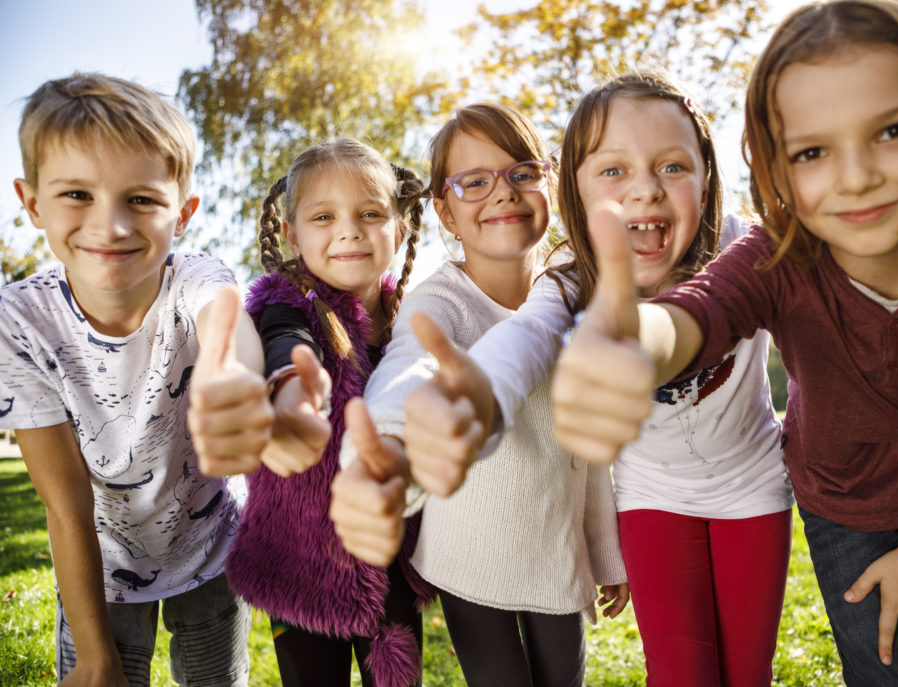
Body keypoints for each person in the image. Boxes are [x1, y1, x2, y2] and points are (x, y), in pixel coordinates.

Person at [552, 2, 898, 685]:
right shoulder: (781, 255)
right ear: (777, 164)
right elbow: (700, 312)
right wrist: (634, 340)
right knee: (887, 670)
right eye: (812, 151)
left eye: (893, 130)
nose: (856, 175)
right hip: (845, 506)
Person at [392, 71, 794, 686]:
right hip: (650, 501)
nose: (644, 192)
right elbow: (521, 341)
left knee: (748, 674)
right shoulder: (569, 281)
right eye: (613, 170)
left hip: (753, 490)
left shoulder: (745, 249)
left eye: (672, 167)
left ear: (707, 174)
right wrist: (478, 393)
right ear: (577, 190)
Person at [331, 102, 629, 687]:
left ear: (551, 182)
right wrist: (384, 448)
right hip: (469, 556)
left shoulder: (574, 287)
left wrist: (605, 550)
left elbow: (586, 451)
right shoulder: (437, 303)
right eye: (474, 181)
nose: (503, 194)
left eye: (523, 172)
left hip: (555, 550)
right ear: (445, 210)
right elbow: (407, 371)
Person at [0, 72, 270, 687]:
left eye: (142, 199)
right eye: (76, 194)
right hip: (102, 568)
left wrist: (232, 376)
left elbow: (223, 315)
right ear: (32, 201)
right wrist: (95, 658)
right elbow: (65, 506)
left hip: (210, 553)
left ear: (184, 211)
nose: (112, 226)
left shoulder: (194, 275)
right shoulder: (18, 323)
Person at [223, 138, 435, 687]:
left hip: (392, 552)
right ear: (292, 235)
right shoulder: (285, 305)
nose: (350, 230)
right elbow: (284, 347)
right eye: (324, 216)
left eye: (370, 214)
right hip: (300, 558)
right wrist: (292, 391)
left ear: (401, 227)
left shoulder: (417, 317)